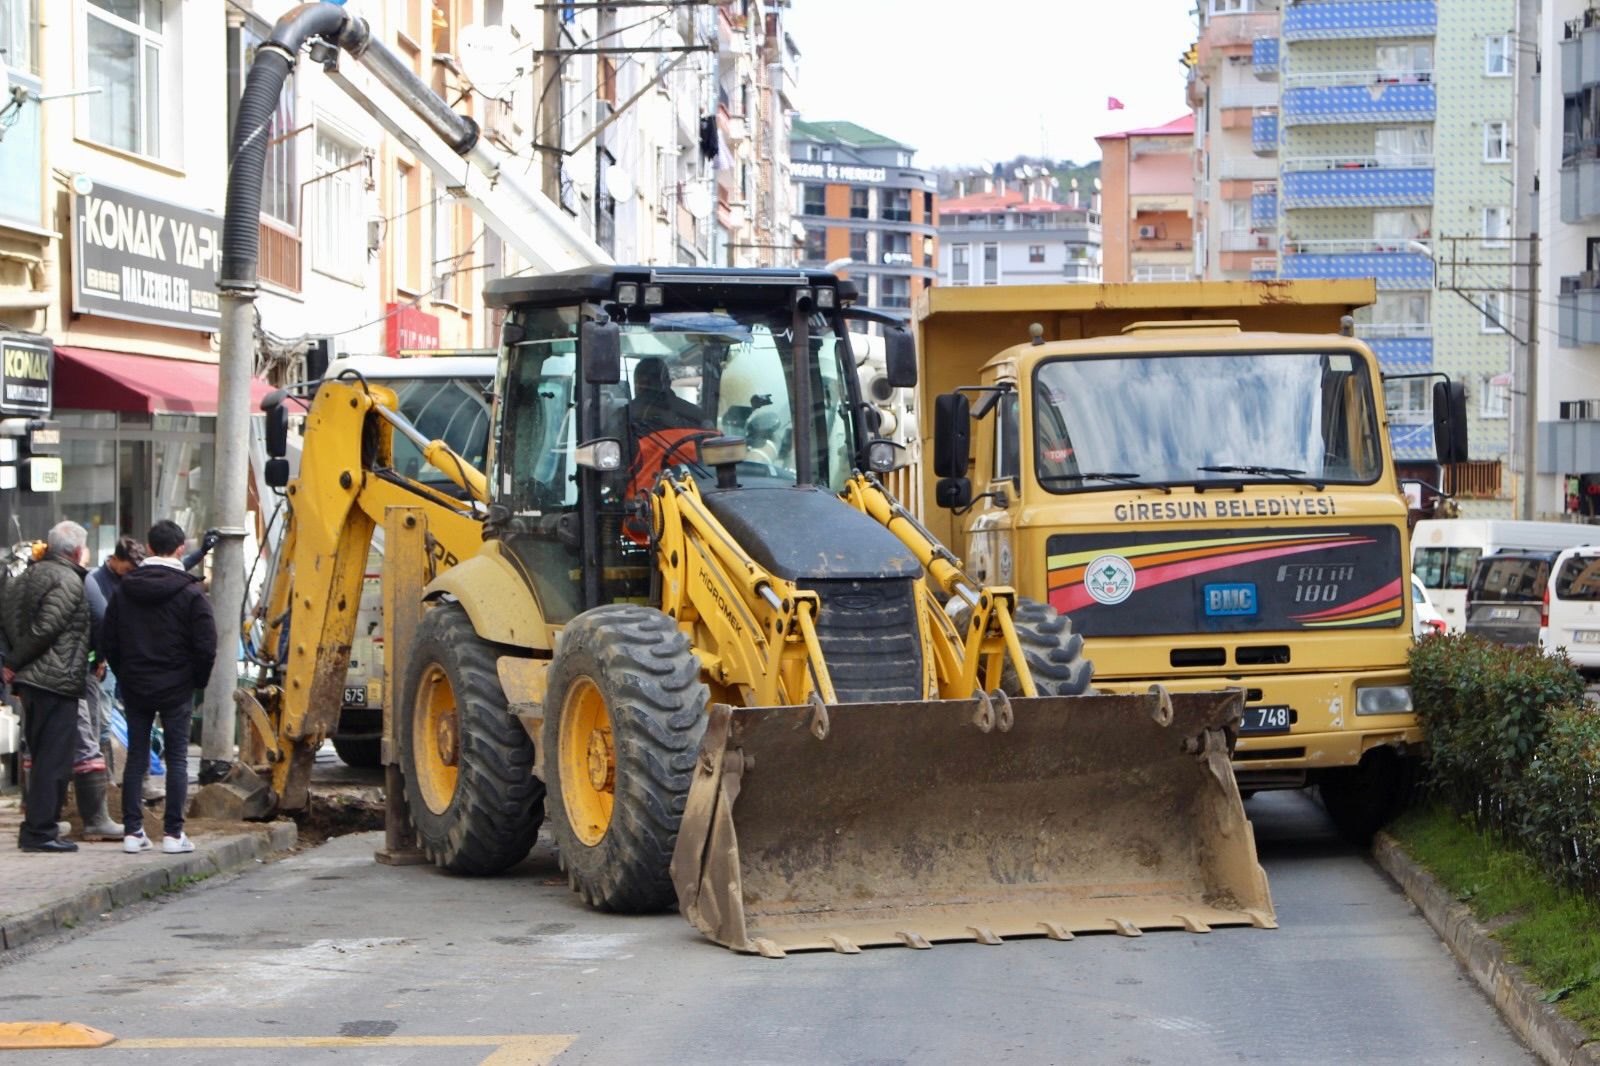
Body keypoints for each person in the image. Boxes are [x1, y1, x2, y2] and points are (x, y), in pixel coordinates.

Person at [103, 520, 218, 855]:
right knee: (178, 758)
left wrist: (126, 673)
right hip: (176, 686)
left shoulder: (125, 589)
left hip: (137, 684)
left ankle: (133, 831)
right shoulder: (191, 592)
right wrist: (196, 680)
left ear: (150, 548)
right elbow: (207, 645)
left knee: (137, 755)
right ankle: (172, 834)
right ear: (181, 549)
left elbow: (109, 639)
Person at [2, 521, 93, 853]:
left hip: (30, 682)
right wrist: (13, 663)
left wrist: (14, 664)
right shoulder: (68, 580)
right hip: (55, 681)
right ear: (76, 551)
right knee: (54, 760)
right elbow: (45, 629)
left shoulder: (24, 577)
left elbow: (8, 621)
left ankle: (37, 827)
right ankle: (41, 832)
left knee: (41, 756)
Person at [73, 535, 147, 840]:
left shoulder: (122, 580)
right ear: (115, 560)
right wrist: (99, 657)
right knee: (96, 725)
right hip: (94, 661)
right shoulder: (93, 581)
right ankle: (97, 805)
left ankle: (110, 784)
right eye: (127, 568)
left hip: (108, 658)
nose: (129, 574)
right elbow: (100, 620)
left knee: (101, 722)